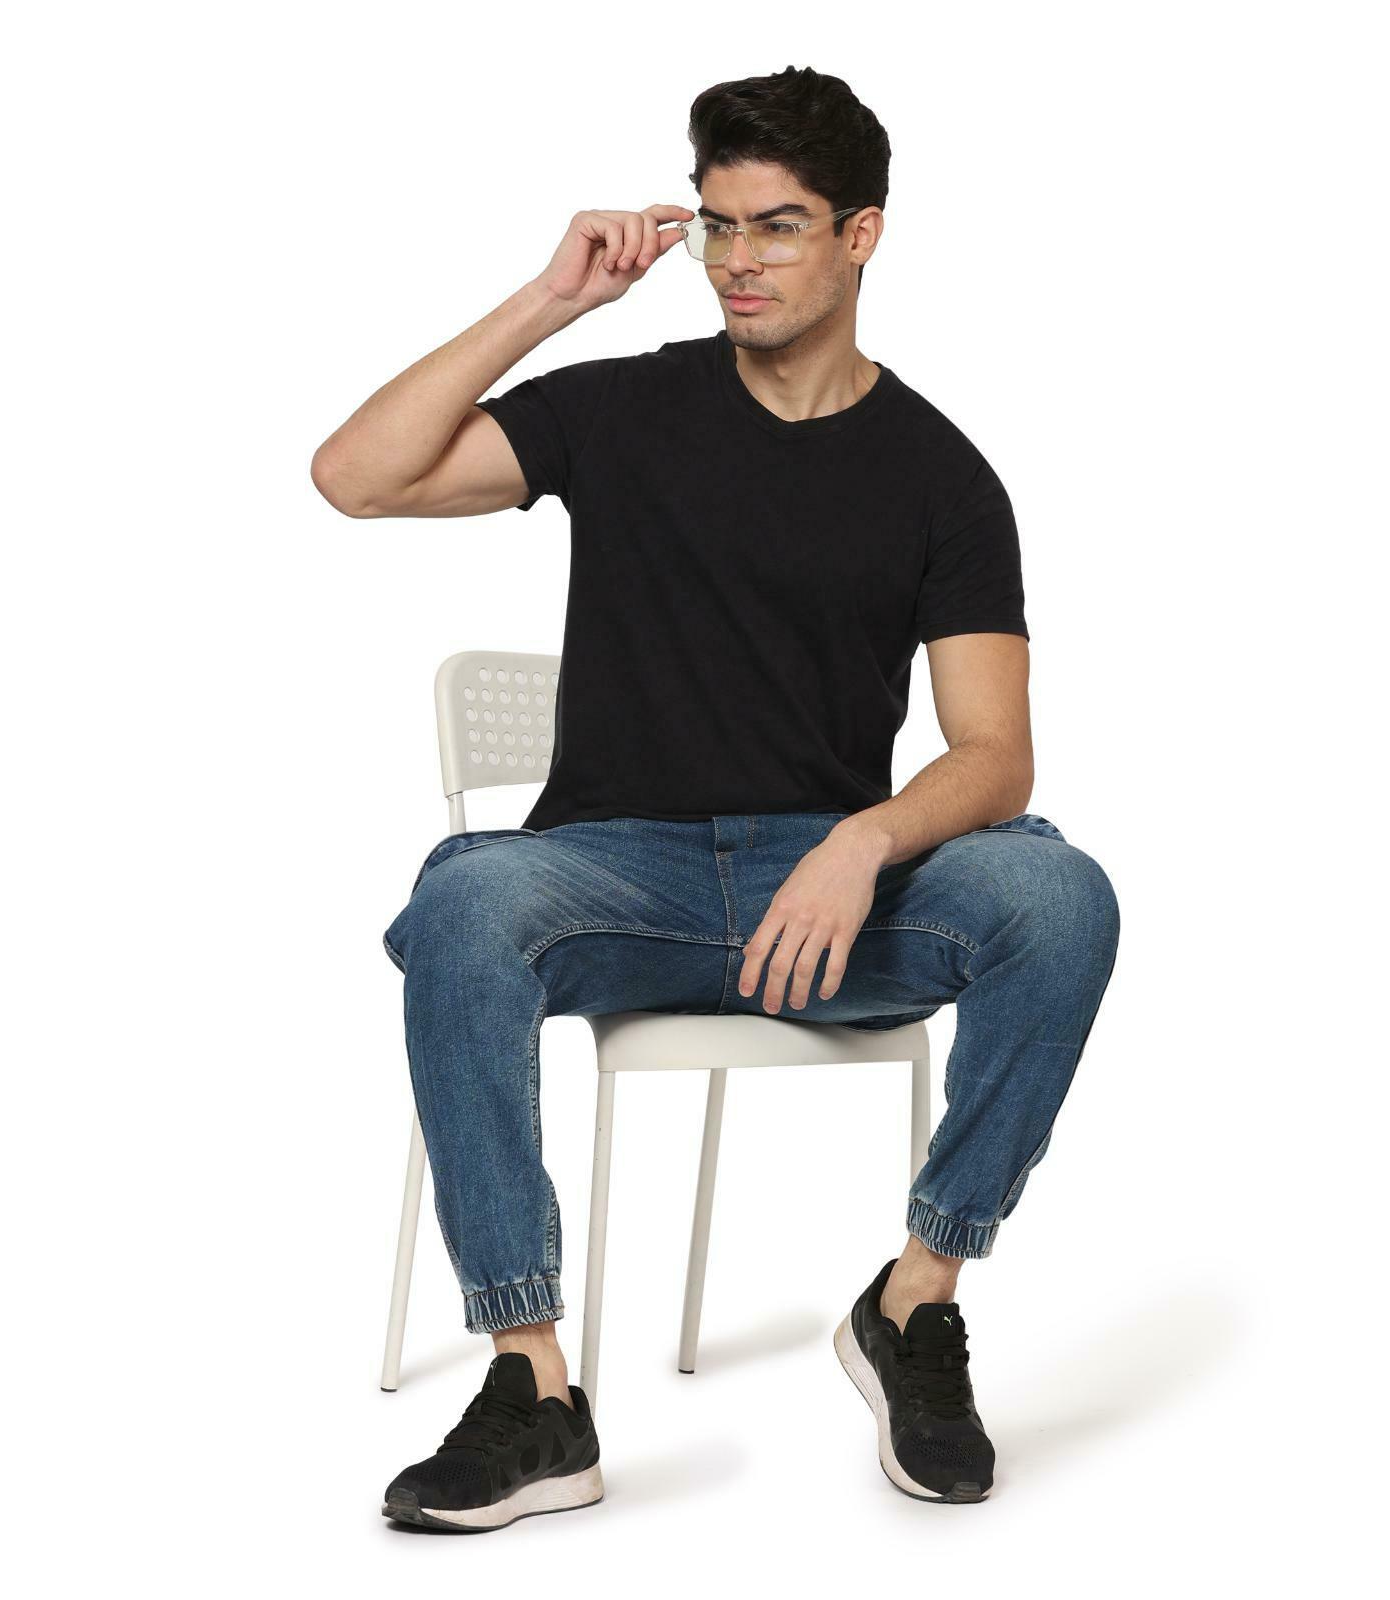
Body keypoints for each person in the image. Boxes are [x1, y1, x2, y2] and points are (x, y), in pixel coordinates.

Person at [312, 64, 1120, 1532]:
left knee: (1058, 895)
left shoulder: (943, 478)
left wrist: (867, 842)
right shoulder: (623, 408)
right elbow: (355, 477)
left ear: (861, 236)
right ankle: (535, 1390)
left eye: (779, 226)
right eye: (718, 224)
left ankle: (915, 1300)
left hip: (830, 899)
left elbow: (995, 756)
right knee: (467, 898)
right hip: (619, 880)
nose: (738, 259)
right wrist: (552, 301)